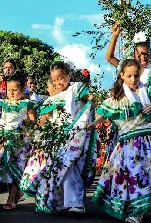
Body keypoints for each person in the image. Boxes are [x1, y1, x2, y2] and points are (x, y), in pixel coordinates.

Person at [89, 59, 151, 223]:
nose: (133, 79)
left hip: (149, 141)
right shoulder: (116, 96)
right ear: (122, 76)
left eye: (136, 75)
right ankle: (136, 210)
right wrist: (92, 124)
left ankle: (143, 208)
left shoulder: (146, 90)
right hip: (128, 143)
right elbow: (105, 114)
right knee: (132, 175)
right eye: (129, 76)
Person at [20, 61, 97, 213]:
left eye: (60, 78)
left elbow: (88, 99)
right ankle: (61, 202)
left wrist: (91, 98)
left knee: (68, 166)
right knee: (57, 169)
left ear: (69, 75)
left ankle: (75, 203)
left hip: (73, 135)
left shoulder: (77, 88)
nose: (57, 83)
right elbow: (44, 119)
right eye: (54, 80)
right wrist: (35, 128)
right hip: (54, 139)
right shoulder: (50, 99)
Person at [0, 72, 37, 210]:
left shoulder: (26, 104)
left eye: (15, 90)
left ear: (22, 90)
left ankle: (11, 198)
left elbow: (34, 122)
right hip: (4, 141)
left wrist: (28, 123)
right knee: (7, 169)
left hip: (20, 143)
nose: (11, 92)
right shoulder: (3, 103)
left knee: (15, 170)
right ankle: (17, 193)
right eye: (9, 89)